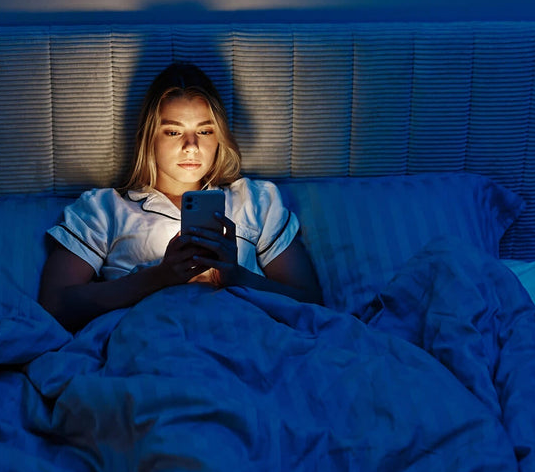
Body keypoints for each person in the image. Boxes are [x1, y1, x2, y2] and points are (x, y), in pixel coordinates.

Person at [38, 62, 322, 331]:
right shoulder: (104, 209)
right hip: (154, 341)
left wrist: (236, 277)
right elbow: (55, 306)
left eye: (204, 130)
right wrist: (160, 277)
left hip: (243, 335)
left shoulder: (256, 202)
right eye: (173, 131)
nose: (191, 146)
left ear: (218, 137)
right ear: (149, 137)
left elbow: (311, 302)